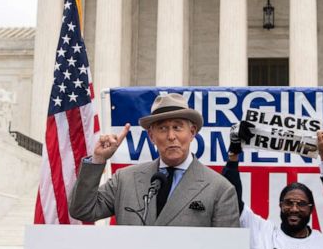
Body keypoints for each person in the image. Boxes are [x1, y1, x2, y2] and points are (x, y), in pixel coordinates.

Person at [69, 93, 239, 227]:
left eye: (177, 127)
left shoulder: (220, 189)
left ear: (192, 132)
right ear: (151, 136)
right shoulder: (125, 180)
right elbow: (82, 210)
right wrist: (98, 159)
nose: (171, 136)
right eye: (163, 128)